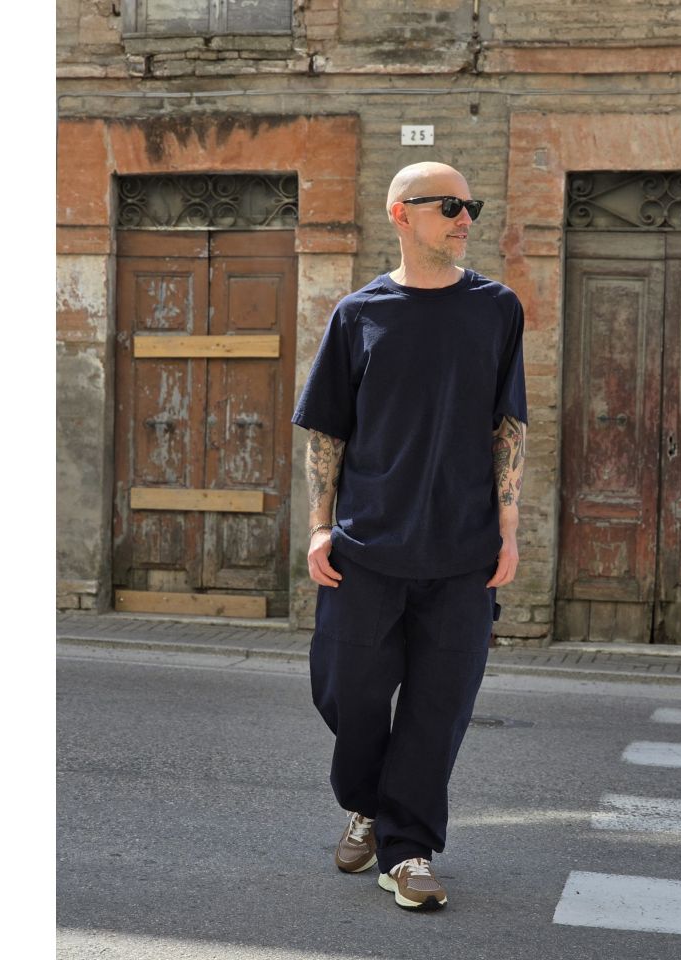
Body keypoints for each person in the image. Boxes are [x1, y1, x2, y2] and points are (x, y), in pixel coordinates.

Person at [291, 161, 528, 911]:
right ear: (401, 214)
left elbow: (508, 425)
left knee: (439, 707)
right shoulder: (358, 314)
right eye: (449, 206)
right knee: (346, 691)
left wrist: (509, 530)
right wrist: (319, 526)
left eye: (471, 206)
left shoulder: (496, 309)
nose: (466, 219)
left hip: (463, 553)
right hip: (365, 549)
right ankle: (367, 800)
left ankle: (408, 850)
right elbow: (326, 432)